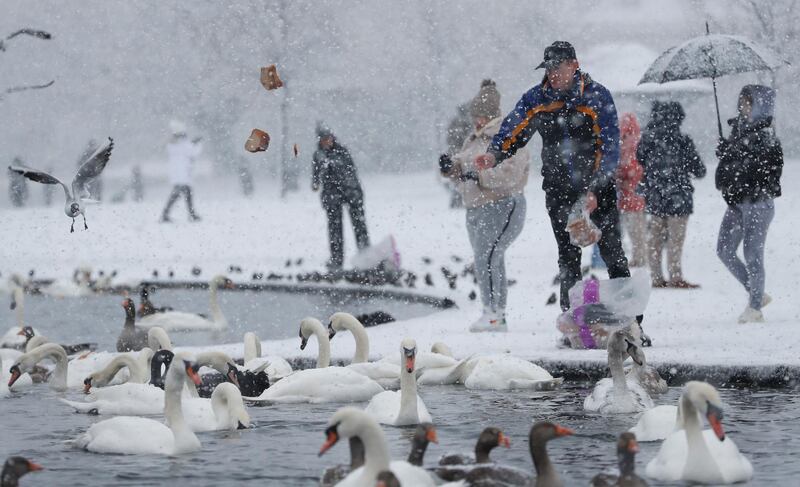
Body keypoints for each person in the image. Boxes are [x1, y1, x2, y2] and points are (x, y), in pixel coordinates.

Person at [478, 42, 643, 333]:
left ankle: (631, 325)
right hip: (559, 189)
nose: (553, 74)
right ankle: (573, 325)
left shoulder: (596, 96)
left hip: (597, 189)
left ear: (574, 65)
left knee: (613, 253)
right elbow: (513, 130)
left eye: (558, 67)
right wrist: (494, 154)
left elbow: (610, 149)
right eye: (549, 68)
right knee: (568, 257)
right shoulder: (537, 99)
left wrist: (595, 188)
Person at [439, 79, 530, 332]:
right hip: (476, 207)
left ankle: (494, 314)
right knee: (488, 259)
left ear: (492, 115)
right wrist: (452, 167)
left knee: (487, 258)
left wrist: (479, 176)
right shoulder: (474, 138)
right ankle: (493, 311)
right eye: (475, 116)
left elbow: (510, 173)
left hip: (501, 205)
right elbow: (464, 162)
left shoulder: (509, 136)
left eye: (482, 116)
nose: (477, 121)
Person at [715, 85, 782, 323]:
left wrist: (735, 156)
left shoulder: (767, 135)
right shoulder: (738, 131)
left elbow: (764, 171)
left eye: (749, 103)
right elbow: (730, 170)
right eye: (742, 102)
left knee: (753, 254)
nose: (743, 107)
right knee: (724, 250)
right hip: (736, 202)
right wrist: (726, 153)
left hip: (758, 203)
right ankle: (756, 291)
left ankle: (755, 308)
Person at [637, 101, 705, 288]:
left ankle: (657, 277)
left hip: (656, 197)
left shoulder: (647, 141)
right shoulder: (682, 142)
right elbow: (700, 170)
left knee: (655, 240)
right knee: (675, 240)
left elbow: (640, 161)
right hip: (679, 198)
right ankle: (675, 276)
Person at [312, 123, 370, 270]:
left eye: (328, 139)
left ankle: (366, 258)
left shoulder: (342, 152)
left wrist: (332, 166)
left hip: (351, 193)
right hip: (332, 196)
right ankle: (336, 260)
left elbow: (349, 171)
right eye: (324, 139)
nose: (327, 142)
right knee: (335, 229)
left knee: (359, 227)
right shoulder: (318, 155)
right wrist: (316, 182)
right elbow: (316, 174)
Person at [615, 112, 646, 268]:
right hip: (633, 196)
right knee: (636, 230)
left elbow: (634, 169)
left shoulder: (628, 147)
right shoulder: (634, 145)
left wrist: (625, 179)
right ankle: (639, 256)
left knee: (635, 230)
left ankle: (639, 257)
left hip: (631, 196)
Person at [160, 120, 202, 223]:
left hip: (180, 174)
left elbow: (188, 151)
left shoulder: (174, 144)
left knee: (183, 194)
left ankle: (189, 214)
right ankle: (167, 214)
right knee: (181, 194)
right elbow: (192, 152)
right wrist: (197, 144)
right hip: (181, 174)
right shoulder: (179, 144)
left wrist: (194, 144)